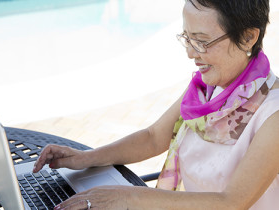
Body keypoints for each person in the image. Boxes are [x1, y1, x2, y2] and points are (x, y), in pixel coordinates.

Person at [33, 0, 279, 209]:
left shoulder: (273, 113)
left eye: (202, 41)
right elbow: (153, 137)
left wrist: (128, 197)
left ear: (248, 37)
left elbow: (231, 202)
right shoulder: (209, 87)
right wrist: (84, 158)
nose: (191, 54)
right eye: (187, 37)